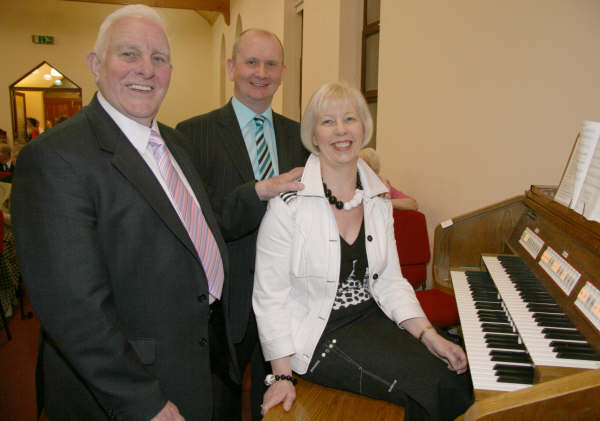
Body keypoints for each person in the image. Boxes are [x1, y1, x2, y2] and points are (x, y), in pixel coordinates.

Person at [11, 5, 237, 421]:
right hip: (133, 387)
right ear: (95, 65)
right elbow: (74, 308)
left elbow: (192, 235)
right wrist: (143, 401)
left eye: (160, 58)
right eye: (129, 54)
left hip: (205, 361)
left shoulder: (175, 143)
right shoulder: (56, 157)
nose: (146, 70)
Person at [252, 82, 473, 421]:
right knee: (436, 388)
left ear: (364, 128)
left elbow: (390, 281)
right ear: (313, 134)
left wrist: (430, 336)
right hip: (320, 334)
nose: (340, 130)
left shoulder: (378, 198)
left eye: (350, 119)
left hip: (372, 317)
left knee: (462, 371)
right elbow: (270, 295)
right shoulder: (289, 204)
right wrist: (281, 375)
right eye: (328, 122)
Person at [176, 28, 307, 420]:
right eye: (251, 62)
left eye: (270, 64)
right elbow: (198, 224)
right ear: (232, 67)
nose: (261, 72)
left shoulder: (300, 136)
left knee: (278, 404)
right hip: (224, 299)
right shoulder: (192, 134)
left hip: (286, 299)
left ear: (283, 72)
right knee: (221, 404)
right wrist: (258, 191)